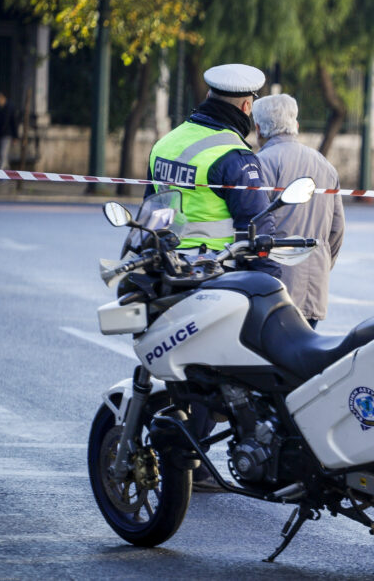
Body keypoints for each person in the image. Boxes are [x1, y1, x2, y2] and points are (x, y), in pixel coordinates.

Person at [145, 63, 276, 492]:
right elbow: (258, 233)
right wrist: (271, 292)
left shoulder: (168, 142)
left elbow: (152, 211)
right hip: (212, 278)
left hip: (165, 275)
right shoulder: (235, 156)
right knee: (209, 375)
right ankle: (194, 466)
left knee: (178, 368)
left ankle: (176, 461)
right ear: (245, 104)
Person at [146, 63, 276, 263]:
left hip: (163, 263)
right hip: (212, 270)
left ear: (208, 97)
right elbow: (256, 227)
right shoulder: (235, 156)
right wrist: (268, 280)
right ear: (246, 107)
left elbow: (150, 207)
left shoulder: (164, 144)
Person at [254, 94, 345, 329]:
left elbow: (254, 224)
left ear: (258, 128)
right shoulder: (324, 165)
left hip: (274, 288)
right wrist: (319, 263)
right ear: (295, 124)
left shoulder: (260, 164)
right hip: (314, 285)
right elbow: (336, 231)